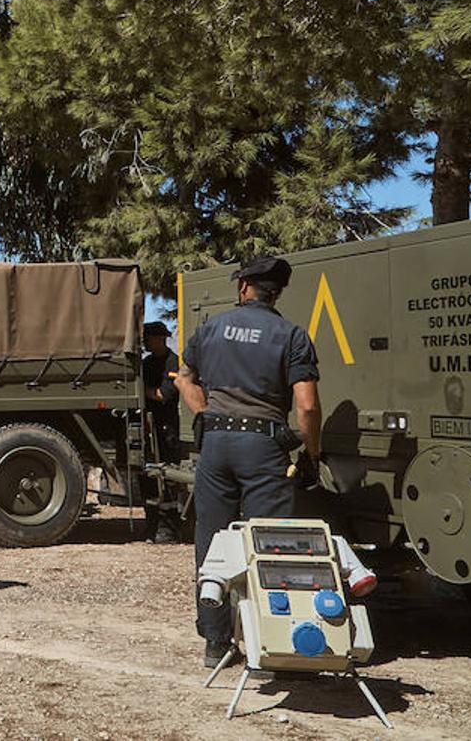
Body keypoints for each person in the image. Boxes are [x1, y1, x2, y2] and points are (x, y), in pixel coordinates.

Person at [174, 255, 321, 667]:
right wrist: (310, 452)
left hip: (216, 446)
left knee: (213, 542)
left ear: (243, 288)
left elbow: (185, 378)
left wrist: (204, 414)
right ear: (277, 293)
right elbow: (307, 406)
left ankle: (216, 641)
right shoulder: (291, 335)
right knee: (269, 546)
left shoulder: (211, 328)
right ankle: (268, 646)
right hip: (264, 447)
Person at [140, 321, 181, 544]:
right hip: (151, 427)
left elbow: (163, 395)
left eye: (149, 337)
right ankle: (151, 526)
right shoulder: (147, 363)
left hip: (166, 429)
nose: (146, 342)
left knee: (168, 479)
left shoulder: (172, 362)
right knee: (149, 479)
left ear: (160, 338)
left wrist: (140, 390)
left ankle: (169, 529)